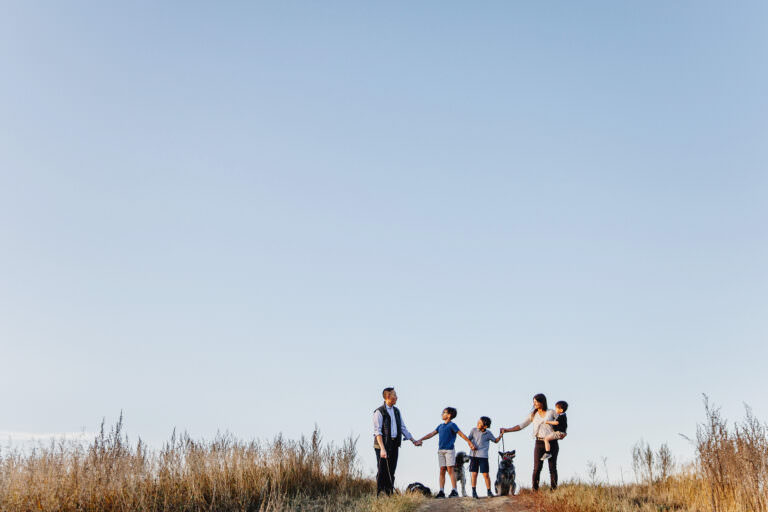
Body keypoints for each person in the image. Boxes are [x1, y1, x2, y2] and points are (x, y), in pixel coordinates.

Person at [499, 393, 560, 491]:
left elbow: (561, 423)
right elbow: (521, 425)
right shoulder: (533, 414)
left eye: (536, 401)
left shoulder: (551, 412)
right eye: (534, 402)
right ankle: (535, 490)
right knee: (537, 468)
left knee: (552, 467)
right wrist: (507, 430)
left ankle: (554, 490)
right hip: (539, 442)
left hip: (551, 442)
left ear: (542, 402)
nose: (534, 403)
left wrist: (561, 433)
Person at [417, 407, 476, 498]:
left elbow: (461, 434)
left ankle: (454, 491)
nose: (442, 414)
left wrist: (469, 442)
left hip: (449, 451)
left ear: (449, 415)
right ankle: (441, 491)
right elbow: (431, 434)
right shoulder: (440, 426)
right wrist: (421, 439)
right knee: (442, 470)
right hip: (441, 451)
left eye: (444, 412)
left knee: (450, 469)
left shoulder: (452, 425)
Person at [373, 387, 421, 495]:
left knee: (392, 471)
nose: (397, 397)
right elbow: (378, 432)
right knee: (382, 472)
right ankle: (380, 495)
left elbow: (403, 428)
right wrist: (382, 449)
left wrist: (414, 441)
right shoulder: (379, 412)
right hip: (382, 446)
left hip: (394, 444)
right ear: (388, 397)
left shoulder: (396, 411)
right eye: (394, 395)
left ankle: (389, 494)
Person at [467, 416, 502, 498]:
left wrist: (501, 435)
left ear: (485, 426)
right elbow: (468, 439)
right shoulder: (473, 430)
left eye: (480, 423)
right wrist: (471, 445)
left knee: (486, 474)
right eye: (478, 422)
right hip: (473, 455)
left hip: (483, 456)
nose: (477, 424)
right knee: (474, 474)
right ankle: (474, 491)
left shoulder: (488, 433)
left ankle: (489, 491)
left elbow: (495, 441)